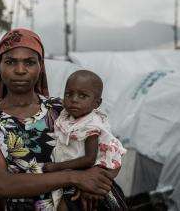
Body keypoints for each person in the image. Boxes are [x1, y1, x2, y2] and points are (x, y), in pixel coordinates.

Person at [0, 28, 116, 211]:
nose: (20, 70)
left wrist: (96, 179)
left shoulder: (62, 108)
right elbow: (2, 185)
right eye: (10, 62)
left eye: (30, 62)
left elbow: (107, 148)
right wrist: (75, 177)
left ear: (41, 67)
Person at [43, 70, 127, 211]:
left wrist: (56, 167)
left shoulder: (91, 125)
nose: (74, 100)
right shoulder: (67, 116)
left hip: (93, 174)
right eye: (69, 94)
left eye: (82, 96)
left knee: (65, 207)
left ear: (97, 103)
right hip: (76, 175)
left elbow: (89, 159)